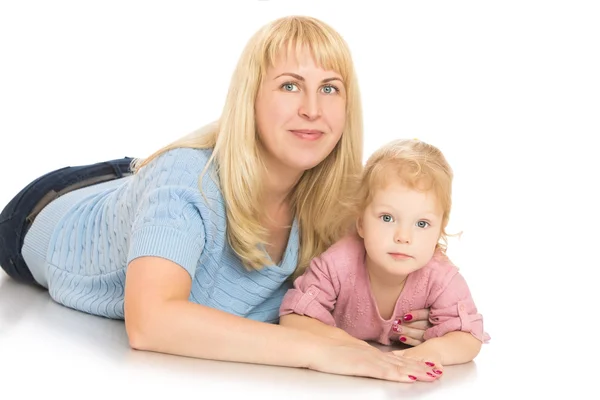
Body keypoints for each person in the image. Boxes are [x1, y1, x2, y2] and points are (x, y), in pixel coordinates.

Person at [0, 16, 442, 383]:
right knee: (170, 179)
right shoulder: (185, 184)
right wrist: (321, 353)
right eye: (290, 86)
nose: (312, 108)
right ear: (250, 97)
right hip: (47, 209)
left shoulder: (341, 196)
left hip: (145, 183)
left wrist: (407, 315)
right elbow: (151, 323)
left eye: (329, 88)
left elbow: (403, 264)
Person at [279, 138, 491, 367]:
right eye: (387, 218)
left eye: (422, 223)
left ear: (440, 228)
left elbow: (469, 337)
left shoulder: (441, 278)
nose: (403, 236)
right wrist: (351, 347)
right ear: (360, 222)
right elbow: (294, 319)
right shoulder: (337, 263)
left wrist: (433, 351)